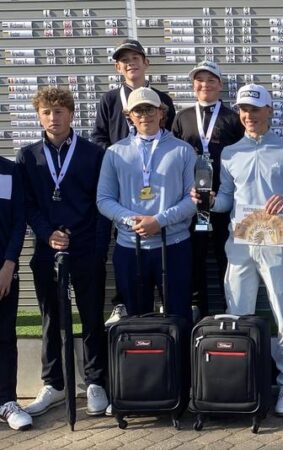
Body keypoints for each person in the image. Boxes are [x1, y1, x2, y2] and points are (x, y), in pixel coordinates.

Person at [198, 84, 283, 417]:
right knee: (238, 316)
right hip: (240, 243)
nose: (248, 116)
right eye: (244, 110)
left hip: (276, 243)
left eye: (255, 109)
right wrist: (205, 201)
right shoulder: (230, 153)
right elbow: (225, 202)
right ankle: (242, 380)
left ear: (269, 111)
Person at [17, 87, 111, 418]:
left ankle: (96, 382)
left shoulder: (92, 153)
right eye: (47, 112)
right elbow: (26, 204)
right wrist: (47, 234)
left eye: (59, 111)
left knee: (90, 316)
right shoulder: (28, 156)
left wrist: (99, 249)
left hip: (85, 247)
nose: (53, 118)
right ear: (39, 116)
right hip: (46, 248)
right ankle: (54, 383)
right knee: (50, 318)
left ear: (71, 114)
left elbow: (101, 204)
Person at [91, 38, 176, 326]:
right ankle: (122, 303)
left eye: (135, 58)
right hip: (123, 184)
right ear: (118, 67)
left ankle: (168, 308)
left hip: (159, 192)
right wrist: (122, 158)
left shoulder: (162, 99)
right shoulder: (109, 100)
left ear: (145, 62)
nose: (130, 63)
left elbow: (170, 139)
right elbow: (98, 138)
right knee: (125, 241)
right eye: (124, 60)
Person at [97, 87, 195, 324]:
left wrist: (159, 221)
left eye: (150, 109)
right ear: (129, 115)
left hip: (173, 245)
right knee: (136, 321)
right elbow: (104, 200)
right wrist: (134, 221)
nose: (144, 116)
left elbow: (194, 200)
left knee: (178, 317)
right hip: (131, 248)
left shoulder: (183, 150)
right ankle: (142, 364)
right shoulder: (114, 152)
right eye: (138, 111)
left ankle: (179, 362)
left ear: (161, 112)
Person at [172, 60, 244, 318]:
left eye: (211, 80)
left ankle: (232, 310)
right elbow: (174, 159)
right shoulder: (182, 117)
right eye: (199, 81)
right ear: (193, 86)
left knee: (228, 258)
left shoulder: (233, 119)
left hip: (225, 199)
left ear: (220, 85)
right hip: (192, 201)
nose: (205, 85)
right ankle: (197, 312)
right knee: (194, 258)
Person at [0, 151, 30, 430]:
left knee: (5, 338)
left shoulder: (9, 171)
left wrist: (9, 264)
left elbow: (19, 221)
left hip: (4, 271)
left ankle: (7, 400)